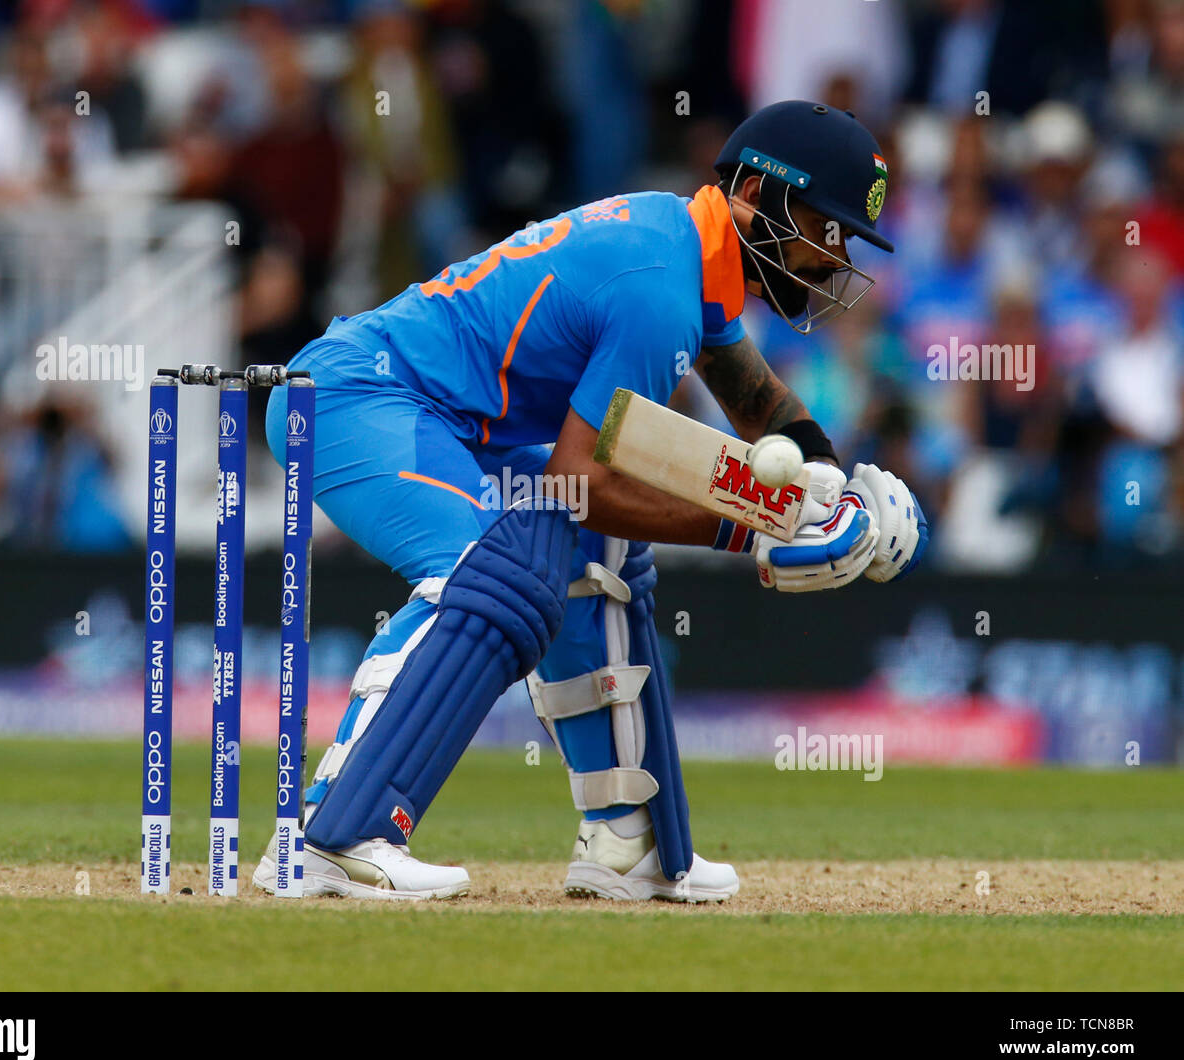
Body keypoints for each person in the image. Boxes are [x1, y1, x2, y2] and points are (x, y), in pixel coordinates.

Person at [253, 100, 927, 902]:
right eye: (826, 227)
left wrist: (832, 493)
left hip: (447, 417)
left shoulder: (686, 252)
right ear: (757, 191)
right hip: (357, 395)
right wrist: (754, 534)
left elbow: (754, 398)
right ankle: (334, 836)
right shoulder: (657, 285)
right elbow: (585, 483)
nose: (832, 255)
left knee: (599, 560)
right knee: (490, 582)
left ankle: (626, 841)